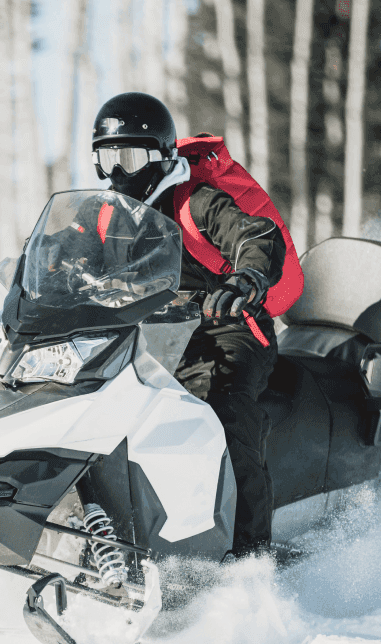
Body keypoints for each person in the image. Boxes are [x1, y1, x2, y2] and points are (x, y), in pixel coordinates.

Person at [89, 92, 300, 558]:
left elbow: (254, 235)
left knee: (221, 410)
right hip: (150, 336)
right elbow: (70, 245)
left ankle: (249, 555)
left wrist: (248, 274)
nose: (119, 173)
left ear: (162, 157)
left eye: (130, 157)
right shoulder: (108, 213)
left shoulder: (197, 201)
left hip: (228, 328)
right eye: (107, 159)